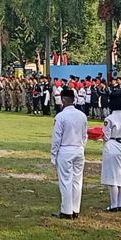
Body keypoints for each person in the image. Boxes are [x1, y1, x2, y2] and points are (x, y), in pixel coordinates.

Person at [50, 89, 88, 219]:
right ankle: (75, 209)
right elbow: (84, 135)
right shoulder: (82, 115)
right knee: (77, 180)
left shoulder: (61, 116)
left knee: (66, 181)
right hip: (78, 149)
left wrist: (53, 154)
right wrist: (82, 147)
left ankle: (66, 210)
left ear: (64, 100)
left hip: (66, 149)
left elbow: (57, 138)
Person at [101, 97, 121, 212]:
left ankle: (114, 204)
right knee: (120, 174)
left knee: (112, 176)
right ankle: (119, 203)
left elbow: (106, 135)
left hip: (112, 144)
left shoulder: (109, 119)